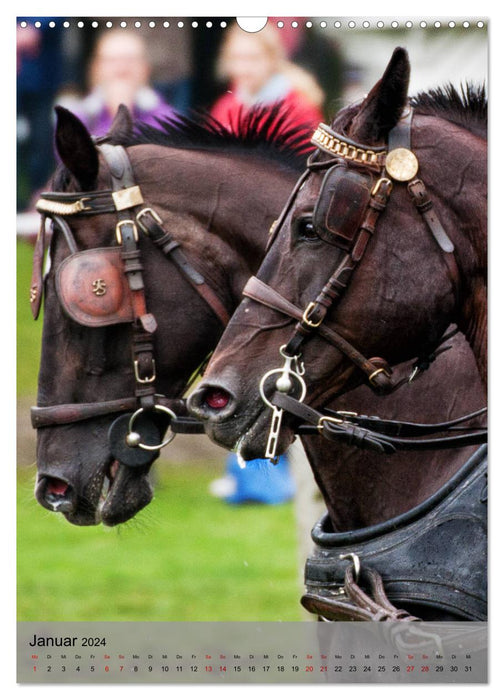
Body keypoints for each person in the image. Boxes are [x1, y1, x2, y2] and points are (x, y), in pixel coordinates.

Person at [211, 23, 324, 135]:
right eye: (237, 58)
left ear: (272, 60)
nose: (243, 68)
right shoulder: (224, 109)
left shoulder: (298, 111)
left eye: (253, 58)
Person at [60, 29, 176, 136]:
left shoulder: (168, 119)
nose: (121, 68)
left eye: (130, 60)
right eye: (112, 60)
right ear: (96, 68)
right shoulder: (75, 119)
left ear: (145, 68)